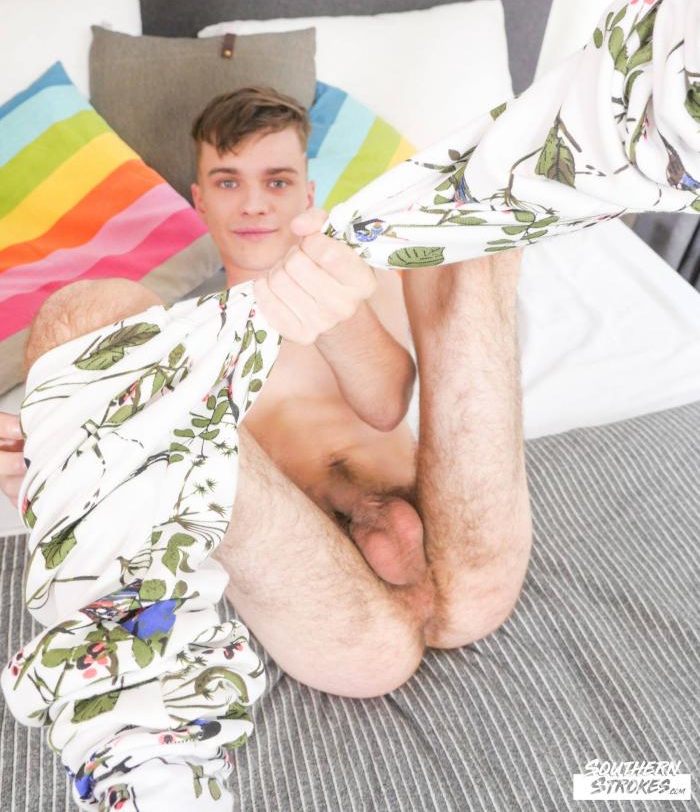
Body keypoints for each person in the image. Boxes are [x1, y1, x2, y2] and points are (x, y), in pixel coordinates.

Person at [0, 86, 531, 699]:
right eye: (228, 182)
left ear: (307, 194)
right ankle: (74, 486)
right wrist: (49, 474)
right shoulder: (177, 338)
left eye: (277, 181)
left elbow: (388, 405)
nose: (253, 203)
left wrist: (337, 314)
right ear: (199, 199)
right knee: (86, 311)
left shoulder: (366, 281)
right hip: (328, 606)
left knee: (463, 206)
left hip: (461, 548)